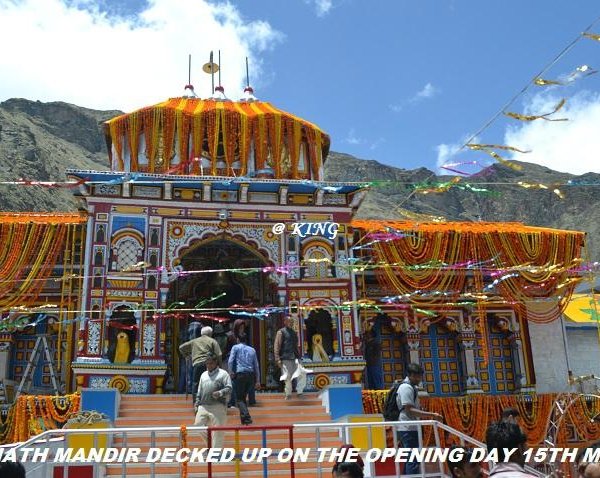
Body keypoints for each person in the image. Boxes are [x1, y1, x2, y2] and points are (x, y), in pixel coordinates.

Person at [396, 363, 443, 475]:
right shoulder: (406, 388)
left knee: (411, 458)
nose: (419, 379)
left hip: (410, 426)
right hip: (408, 427)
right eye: (418, 376)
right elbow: (409, 409)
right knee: (413, 459)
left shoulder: (411, 387)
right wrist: (432, 415)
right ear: (411, 375)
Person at [194, 354, 232, 448]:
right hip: (203, 406)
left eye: (211, 363)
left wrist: (219, 393)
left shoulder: (223, 374)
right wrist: (197, 403)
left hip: (218, 406)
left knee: (218, 431)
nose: (209, 365)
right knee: (197, 426)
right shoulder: (203, 375)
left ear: (216, 363)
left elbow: (229, 388)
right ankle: (211, 445)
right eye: (207, 364)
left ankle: (216, 453)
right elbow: (199, 390)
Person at [179, 326, 222, 404]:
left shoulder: (194, 341)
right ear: (210, 333)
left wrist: (186, 355)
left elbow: (181, 347)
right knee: (211, 382)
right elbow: (219, 354)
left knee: (196, 383)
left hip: (197, 364)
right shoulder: (212, 341)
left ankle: (196, 403)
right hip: (209, 364)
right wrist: (220, 365)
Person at [228, 333, 260, 425]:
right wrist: (257, 380)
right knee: (243, 397)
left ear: (238, 339)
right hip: (250, 375)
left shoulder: (235, 347)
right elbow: (256, 365)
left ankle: (247, 417)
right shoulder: (252, 350)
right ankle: (244, 419)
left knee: (240, 399)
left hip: (241, 374)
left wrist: (230, 372)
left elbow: (230, 360)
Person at [274, 316, 304, 400]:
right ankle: (288, 393)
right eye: (289, 321)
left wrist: (299, 356)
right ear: (285, 322)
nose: (291, 323)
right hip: (285, 357)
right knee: (287, 376)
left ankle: (300, 391)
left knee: (302, 373)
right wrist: (277, 359)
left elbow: (296, 345)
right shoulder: (281, 332)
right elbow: (277, 345)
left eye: (292, 321)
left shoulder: (294, 333)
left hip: (295, 357)